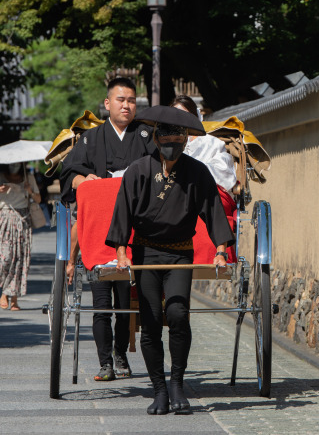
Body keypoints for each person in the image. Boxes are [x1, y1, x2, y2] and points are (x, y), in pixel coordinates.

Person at [105, 105, 235, 415]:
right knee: (150, 322)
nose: (172, 144)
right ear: (156, 138)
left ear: (186, 140)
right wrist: (121, 252)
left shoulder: (196, 172)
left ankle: (177, 383)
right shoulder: (138, 170)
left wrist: (220, 250)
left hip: (180, 252)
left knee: (177, 313)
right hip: (146, 252)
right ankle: (159, 390)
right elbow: (123, 212)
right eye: (167, 138)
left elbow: (213, 211)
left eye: (179, 139)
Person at [60, 76, 154, 382]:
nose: (126, 105)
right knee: (101, 303)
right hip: (99, 231)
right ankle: (105, 362)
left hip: (134, 232)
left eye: (131, 100)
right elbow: (70, 174)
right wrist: (84, 182)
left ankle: (121, 354)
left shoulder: (145, 135)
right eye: (120, 99)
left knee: (125, 303)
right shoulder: (91, 138)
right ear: (107, 103)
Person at [170, 95, 238, 263]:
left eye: (185, 114)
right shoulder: (166, 142)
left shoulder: (211, 143)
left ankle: (215, 252)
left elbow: (224, 173)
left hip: (207, 193)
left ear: (195, 116)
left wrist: (194, 175)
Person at [0, 162, 41, 311]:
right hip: (4, 219)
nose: (14, 166)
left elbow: (38, 199)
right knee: (4, 256)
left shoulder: (28, 177)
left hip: (22, 219)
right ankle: (4, 289)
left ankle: (13, 298)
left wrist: (30, 191)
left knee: (19, 259)